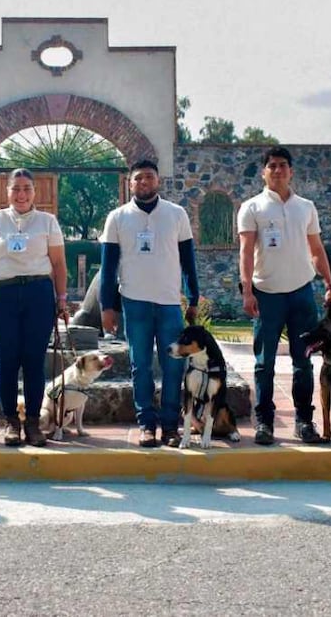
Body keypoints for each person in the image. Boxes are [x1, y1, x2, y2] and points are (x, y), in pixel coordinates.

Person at [238, 146, 331, 445]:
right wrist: (247, 290)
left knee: (303, 361)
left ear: (291, 171)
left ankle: (304, 422)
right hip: (267, 294)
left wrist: (330, 285)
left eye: (283, 165)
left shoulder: (305, 207)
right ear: (264, 172)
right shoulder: (252, 207)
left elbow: (316, 250)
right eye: (272, 165)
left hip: (301, 294)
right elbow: (245, 252)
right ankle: (264, 423)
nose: (278, 170)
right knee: (264, 363)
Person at [100, 160, 199, 448]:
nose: (144, 182)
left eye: (149, 177)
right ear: (129, 184)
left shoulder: (176, 214)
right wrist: (108, 307)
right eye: (138, 178)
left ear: (158, 182)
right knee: (139, 365)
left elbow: (188, 262)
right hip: (135, 304)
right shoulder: (117, 218)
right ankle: (146, 424)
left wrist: (193, 297)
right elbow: (108, 268)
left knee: (173, 366)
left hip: (169, 303)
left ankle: (170, 426)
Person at [0, 168, 69, 447]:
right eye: (16, 188)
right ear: (7, 191)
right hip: (2, 295)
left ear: (34, 192)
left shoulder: (47, 222)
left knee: (33, 361)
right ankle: (11, 422)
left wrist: (61, 298)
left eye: (27, 188)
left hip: (38, 293)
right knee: (7, 360)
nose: (21, 194)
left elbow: (59, 263)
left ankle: (33, 423)